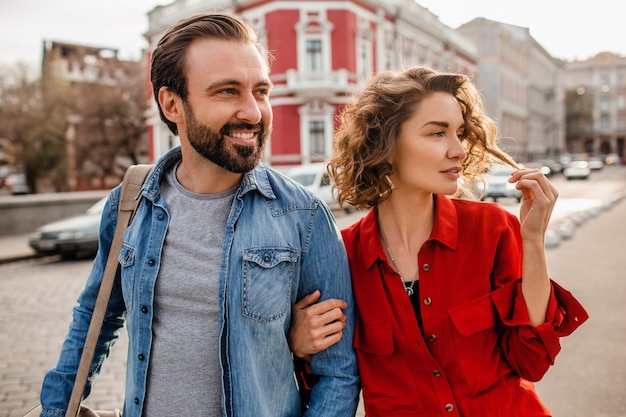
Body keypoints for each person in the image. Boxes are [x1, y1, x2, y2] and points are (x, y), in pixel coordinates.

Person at [38, 12, 359, 417]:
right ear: (172, 103)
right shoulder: (130, 202)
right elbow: (95, 318)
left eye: (260, 91)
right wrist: (55, 408)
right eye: (227, 91)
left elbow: (339, 372)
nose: (254, 112)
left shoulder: (303, 215)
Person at [292, 66, 589, 416]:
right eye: (437, 133)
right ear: (385, 146)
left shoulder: (491, 228)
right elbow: (329, 381)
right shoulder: (342, 256)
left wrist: (533, 241)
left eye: (459, 133)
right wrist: (298, 346)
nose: (458, 150)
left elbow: (531, 360)